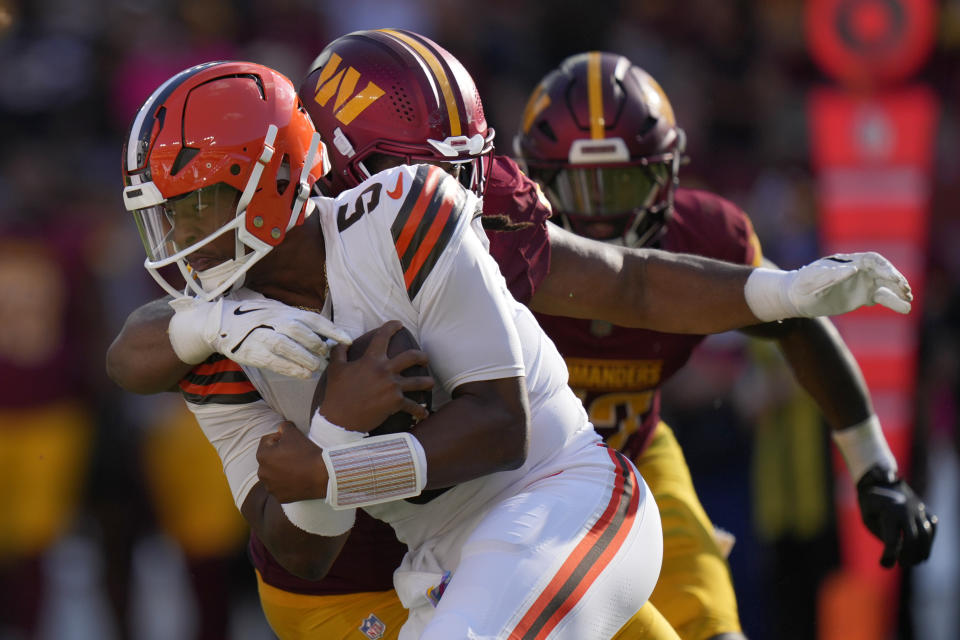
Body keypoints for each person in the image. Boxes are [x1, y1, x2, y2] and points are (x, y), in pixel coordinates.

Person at [106, 31, 919, 640]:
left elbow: (619, 288)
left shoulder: (428, 208)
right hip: (381, 574)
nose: (462, 194)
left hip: (561, 492)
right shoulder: (221, 324)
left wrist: (775, 292)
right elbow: (144, 363)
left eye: (463, 168)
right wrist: (233, 345)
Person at [118, 59, 675, 640]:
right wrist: (334, 430)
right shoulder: (221, 337)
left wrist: (334, 469)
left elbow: (503, 428)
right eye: (165, 217)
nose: (179, 240)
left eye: (192, 208)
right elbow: (302, 552)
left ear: (271, 180)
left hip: (559, 501)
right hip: (436, 566)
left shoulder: (398, 214)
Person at [511, 51, 939, 640]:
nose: (603, 215)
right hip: (515, 485)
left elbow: (796, 325)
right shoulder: (498, 250)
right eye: (580, 186)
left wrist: (874, 467)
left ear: (666, 175)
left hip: (638, 459)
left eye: (624, 181)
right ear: (535, 181)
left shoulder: (704, 236)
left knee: (717, 631)